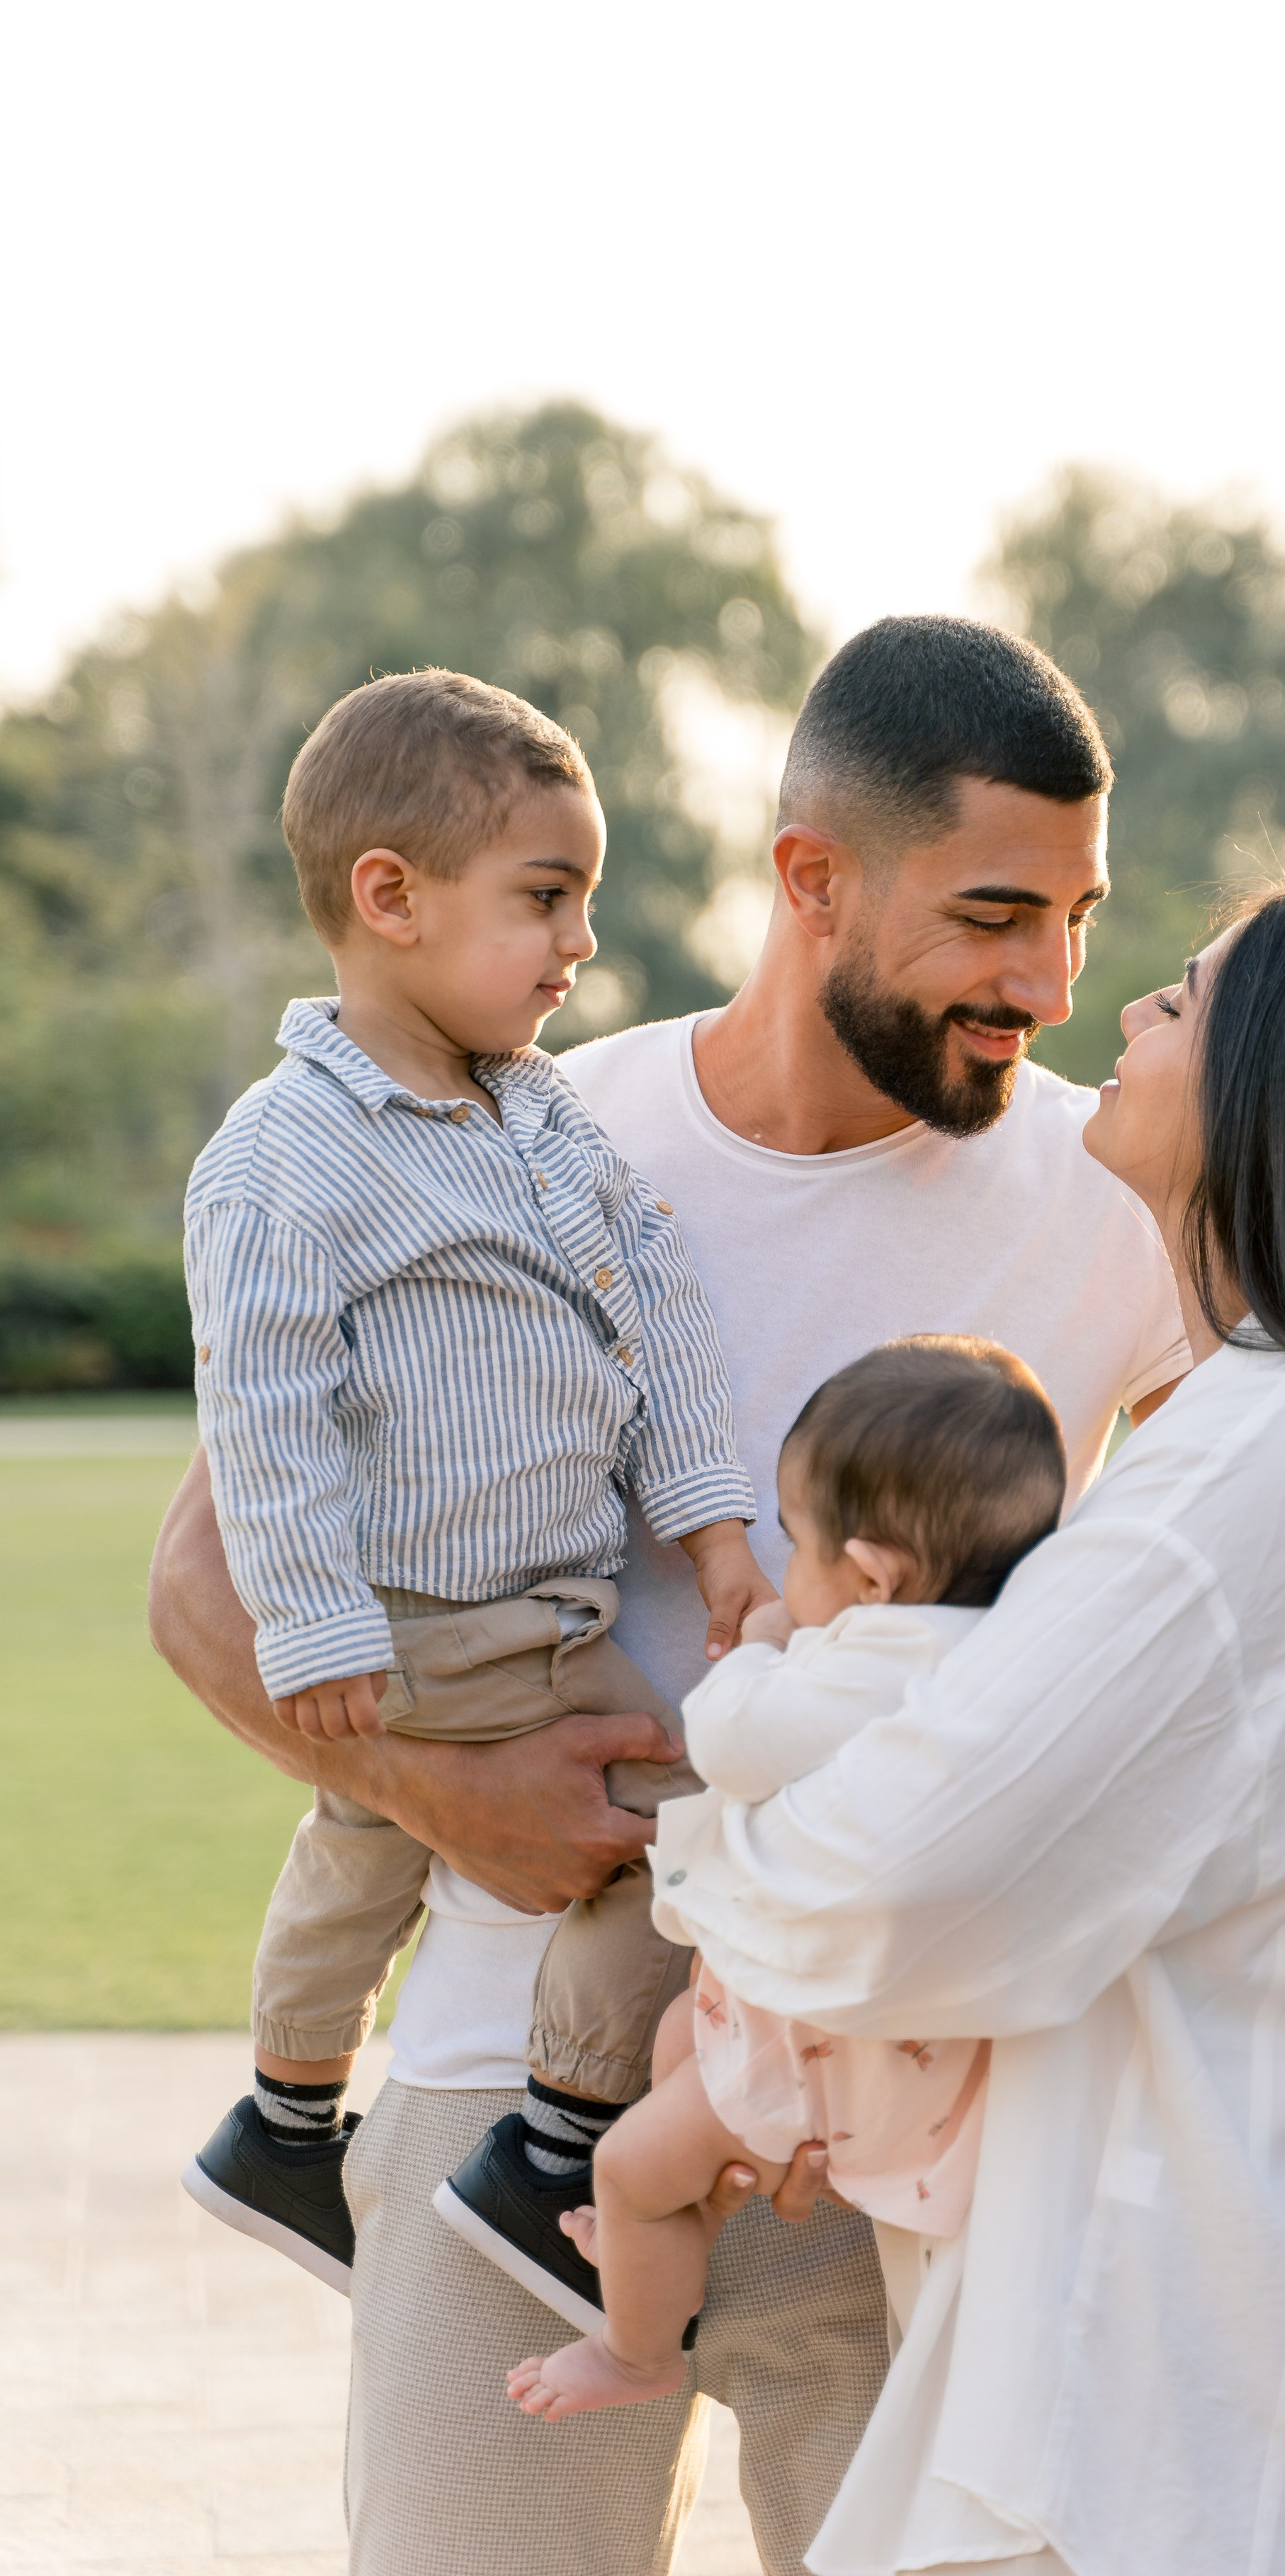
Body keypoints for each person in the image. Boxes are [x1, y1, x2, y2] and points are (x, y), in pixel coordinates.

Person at [147, 617, 1285, 2576]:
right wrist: (443, 1800)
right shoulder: (538, 1136)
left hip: (882, 2118)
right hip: (499, 2086)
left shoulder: (1124, 1184)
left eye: (1079, 923)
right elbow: (206, 1577)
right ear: (811, 878)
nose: (1046, 988)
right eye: (993, 917)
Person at [650, 879, 1285, 2576]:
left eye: (1177, 999)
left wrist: (704, 1847)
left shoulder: (1256, 1465)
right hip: (1205, 2407)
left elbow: (905, 1888)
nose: (1115, 1020)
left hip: (1149, 2432)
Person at [180, 670, 769, 2299]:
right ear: (391, 896)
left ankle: (284, 2126)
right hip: (419, 1620)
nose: (579, 941)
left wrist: (713, 1530)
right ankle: (557, 2148)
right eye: (545, 898)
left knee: (363, 1842)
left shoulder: (544, 1119)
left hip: (551, 1602)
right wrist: (312, 1634)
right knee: (672, 1844)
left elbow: (655, 1310)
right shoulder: (284, 1157)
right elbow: (265, 1411)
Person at [507, 1335, 1065, 2422]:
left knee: (625, 2169)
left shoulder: (874, 1660)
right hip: (841, 2030)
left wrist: (761, 1643)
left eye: (796, 1544)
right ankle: (680, 2220)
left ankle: (637, 2350)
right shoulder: (1003, 1645)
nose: (786, 1572)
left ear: (872, 1574)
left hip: (814, 2050)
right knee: (677, 2049)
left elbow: (729, 1742)